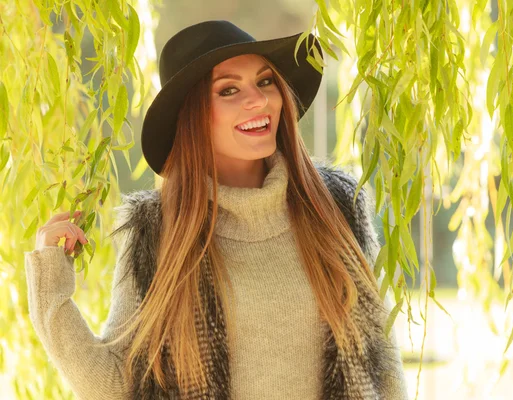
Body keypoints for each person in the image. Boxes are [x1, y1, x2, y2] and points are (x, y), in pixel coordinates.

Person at [24, 20, 409, 399]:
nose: (258, 100)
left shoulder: (337, 208)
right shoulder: (156, 232)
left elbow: (385, 369)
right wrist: (49, 286)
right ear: (192, 117)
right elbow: (118, 386)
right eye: (228, 90)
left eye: (264, 81)